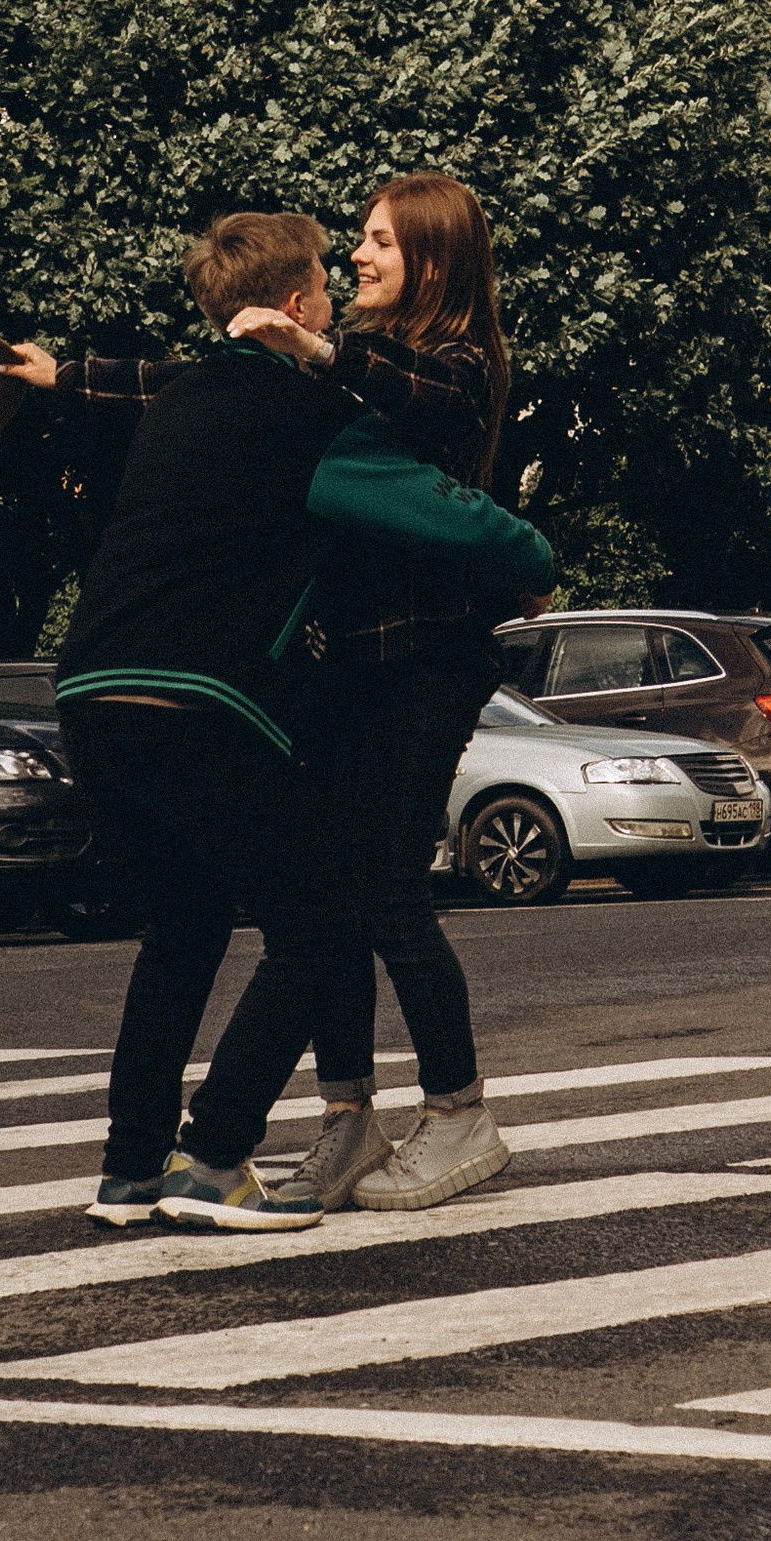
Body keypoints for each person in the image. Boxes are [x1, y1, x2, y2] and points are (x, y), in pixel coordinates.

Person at [15, 210, 550, 1237]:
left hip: (86, 686)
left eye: (379, 241)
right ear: (294, 304)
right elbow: (466, 521)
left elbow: (159, 379)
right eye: (334, 259)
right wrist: (527, 566)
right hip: (201, 697)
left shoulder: (178, 407)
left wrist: (60, 377)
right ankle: (214, 1151)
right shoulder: (316, 419)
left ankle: (129, 1170)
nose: (353, 260)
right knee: (325, 921)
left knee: (181, 928)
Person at [228, 175, 537, 1212]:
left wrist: (316, 349)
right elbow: (203, 390)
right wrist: (62, 376)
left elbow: (426, 396)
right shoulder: (355, 374)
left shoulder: (456, 367)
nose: (357, 258)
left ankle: (459, 1114)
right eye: (359, 243)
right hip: (345, 662)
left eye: (377, 243)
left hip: (427, 661)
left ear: (432, 264)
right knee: (330, 897)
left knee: (391, 888)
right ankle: (347, 1119)